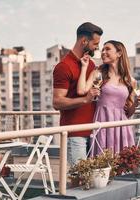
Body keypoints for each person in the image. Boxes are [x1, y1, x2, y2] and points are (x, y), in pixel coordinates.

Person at [77, 40, 140, 156]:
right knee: (103, 161)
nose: (103, 52)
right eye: (102, 49)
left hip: (122, 127)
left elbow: (129, 113)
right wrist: (84, 67)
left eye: (107, 49)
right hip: (102, 123)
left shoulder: (131, 81)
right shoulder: (99, 73)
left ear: (119, 53)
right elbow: (81, 90)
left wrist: (136, 103)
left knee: (122, 162)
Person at [52, 22, 103, 166]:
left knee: (92, 181)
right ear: (84, 41)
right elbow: (57, 102)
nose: (97, 47)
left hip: (93, 132)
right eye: (95, 44)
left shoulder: (91, 64)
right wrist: (85, 100)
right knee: (79, 180)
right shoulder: (64, 67)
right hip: (75, 135)